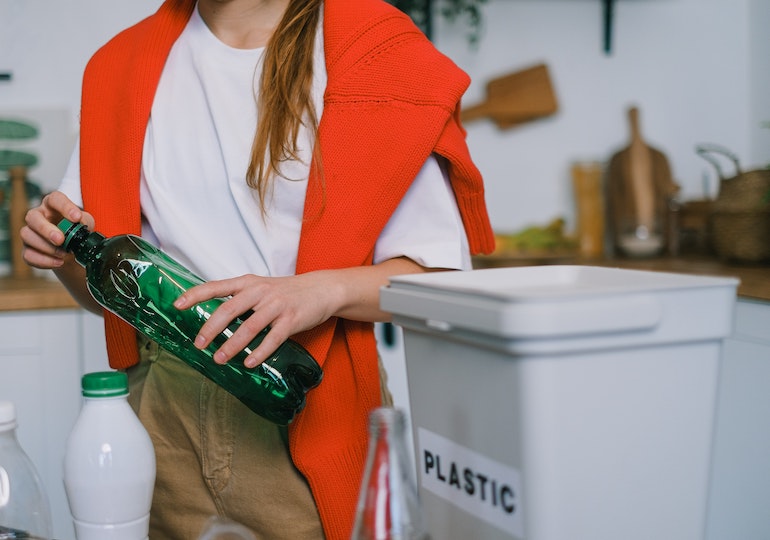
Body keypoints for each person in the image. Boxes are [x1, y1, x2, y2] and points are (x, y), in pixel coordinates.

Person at [21, 0, 494, 538]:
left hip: (304, 400)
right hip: (161, 412)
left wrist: (322, 291)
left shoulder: (373, 53)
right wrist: (61, 255)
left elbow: (441, 281)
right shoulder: (120, 66)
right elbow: (112, 289)